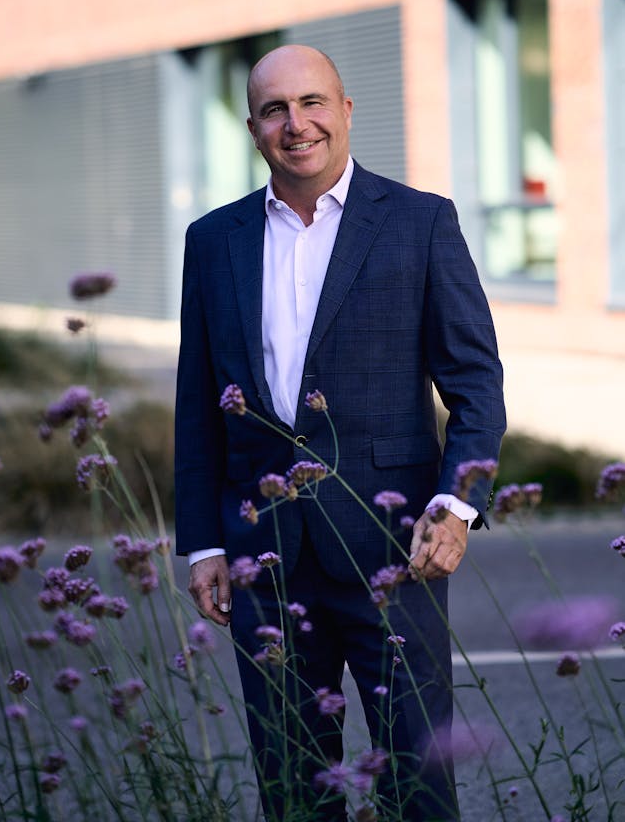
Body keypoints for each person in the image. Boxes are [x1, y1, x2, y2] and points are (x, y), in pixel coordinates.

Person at [174, 45, 506, 821]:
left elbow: (473, 384)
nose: (297, 124)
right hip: (264, 558)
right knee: (293, 786)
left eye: (313, 103)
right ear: (253, 127)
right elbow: (198, 406)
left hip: (396, 547)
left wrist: (456, 508)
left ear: (346, 110)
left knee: (418, 783)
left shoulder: (420, 223)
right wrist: (204, 543)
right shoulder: (212, 240)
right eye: (274, 110)